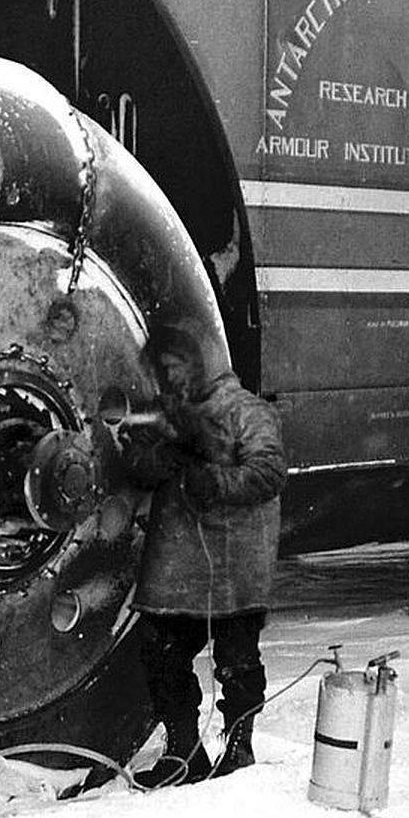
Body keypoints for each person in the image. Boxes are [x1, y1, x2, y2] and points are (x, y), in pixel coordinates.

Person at [121, 321, 286, 788]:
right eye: (165, 370)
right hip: (177, 566)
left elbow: (269, 471)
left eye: (179, 367)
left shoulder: (246, 412)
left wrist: (216, 481)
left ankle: (239, 746)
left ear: (203, 361)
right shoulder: (170, 418)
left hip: (233, 563)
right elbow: (140, 470)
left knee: (236, 658)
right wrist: (160, 456)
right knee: (161, 654)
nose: (172, 378)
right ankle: (183, 750)